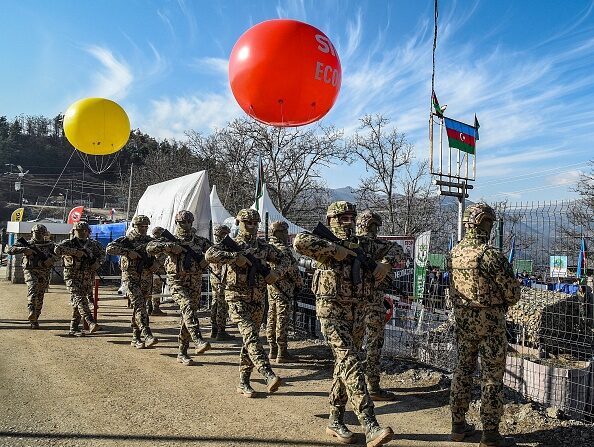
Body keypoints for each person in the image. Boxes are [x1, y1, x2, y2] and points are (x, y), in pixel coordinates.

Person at [293, 201, 393, 447]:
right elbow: (299, 242)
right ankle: (370, 424)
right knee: (350, 361)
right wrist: (332, 249)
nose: (347, 222)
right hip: (331, 311)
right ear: (330, 221)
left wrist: (386, 263)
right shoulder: (323, 245)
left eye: (351, 217)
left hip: (356, 312)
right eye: (342, 218)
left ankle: (335, 420)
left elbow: (395, 249)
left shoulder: (363, 244)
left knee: (344, 366)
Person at [449, 203, 520, 447]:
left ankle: (457, 425)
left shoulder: (454, 253)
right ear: (484, 223)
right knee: (491, 377)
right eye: (490, 222)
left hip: (463, 321)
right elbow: (513, 293)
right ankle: (490, 434)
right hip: (490, 324)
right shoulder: (489, 254)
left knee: (462, 370)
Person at [205, 208, 287, 397]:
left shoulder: (263, 247)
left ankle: (244, 382)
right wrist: (235, 257)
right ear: (239, 223)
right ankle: (268, 373)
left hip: (257, 299)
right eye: (247, 223)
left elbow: (285, 259)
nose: (251, 226)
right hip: (235, 298)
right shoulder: (231, 244)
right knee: (250, 335)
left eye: (254, 223)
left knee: (249, 341)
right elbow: (209, 254)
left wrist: (276, 273)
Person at [146, 211, 212, 365]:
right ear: (177, 223)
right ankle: (198, 339)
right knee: (187, 306)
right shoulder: (170, 240)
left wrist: (205, 261)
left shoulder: (200, 241)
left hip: (195, 282)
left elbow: (214, 252)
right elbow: (150, 247)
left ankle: (182, 351)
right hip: (176, 281)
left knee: (188, 315)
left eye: (189, 222)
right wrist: (169, 246)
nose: (186, 225)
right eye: (182, 222)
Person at [355, 210, 403, 401]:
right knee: (374, 345)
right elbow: (399, 251)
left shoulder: (353, 243)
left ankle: (353, 384)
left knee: (353, 346)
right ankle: (373, 386)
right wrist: (385, 264)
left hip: (354, 304)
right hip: (374, 304)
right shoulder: (380, 246)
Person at [106, 215, 159, 349]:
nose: (143, 229)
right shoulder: (126, 240)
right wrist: (128, 252)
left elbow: (161, 254)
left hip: (146, 279)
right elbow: (110, 248)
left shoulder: (150, 241)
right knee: (140, 305)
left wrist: (156, 264)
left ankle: (136, 337)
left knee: (140, 308)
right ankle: (147, 334)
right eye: (141, 226)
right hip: (131, 279)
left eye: (146, 227)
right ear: (134, 226)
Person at [55, 221, 105, 336]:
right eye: (79, 231)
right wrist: (76, 252)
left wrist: (97, 263)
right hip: (72, 276)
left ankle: (74, 328)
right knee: (80, 298)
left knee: (78, 301)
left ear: (88, 232)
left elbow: (102, 255)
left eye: (85, 231)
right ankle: (90, 321)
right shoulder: (69, 243)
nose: (82, 233)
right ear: (74, 231)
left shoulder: (94, 244)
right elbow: (57, 250)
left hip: (87, 277)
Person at [265, 220, 303, 363]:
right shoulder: (283, 250)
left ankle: (272, 350)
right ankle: (282, 351)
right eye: (285, 231)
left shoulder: (268, 248)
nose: (287, 234)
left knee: (271, 317)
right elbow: (293, 270)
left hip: (272, 287)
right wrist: (299, 284)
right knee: (282, 318)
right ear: (278, 233)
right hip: (284, 289)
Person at [7, 224, 57, 328]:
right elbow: (10, 250)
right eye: (36, 233)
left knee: (40, 295)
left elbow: (59, 254)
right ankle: (31, 311)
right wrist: (24, 250)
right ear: (32, 233)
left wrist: (51, 260)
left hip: (44, 272)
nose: (38, 235)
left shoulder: (49, 245)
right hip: (30, 270)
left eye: (41, 233)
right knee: (33, 288)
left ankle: (35, 318)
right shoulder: (26, 244)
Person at [209, 224, 234, 341]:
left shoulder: (213, 248)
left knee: (215, 302)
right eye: (225, 234)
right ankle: (221, 330)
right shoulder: (222, 248)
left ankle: (214, 328)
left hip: (215, 278)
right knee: (221, 304)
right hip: (221, 279)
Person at [147, 226, 167, 316]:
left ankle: (149, 306)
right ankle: (155, 308)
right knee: (156, 289)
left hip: (150, 269)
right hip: (158, 270)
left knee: (149, 289)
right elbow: (161, 258)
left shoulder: (150, 243)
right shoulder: (160, 244)